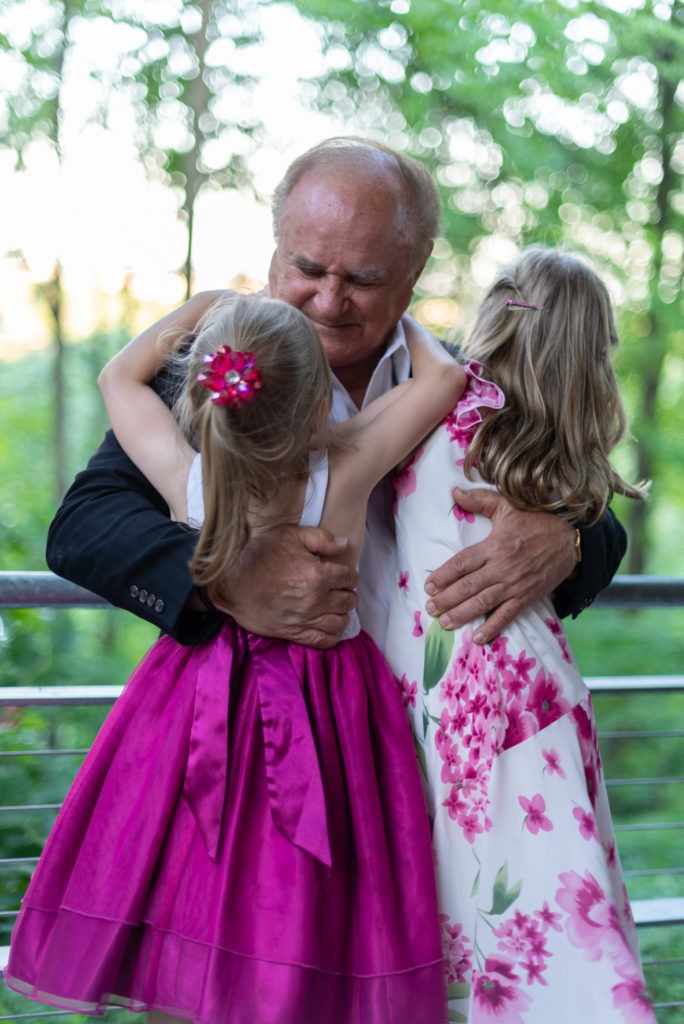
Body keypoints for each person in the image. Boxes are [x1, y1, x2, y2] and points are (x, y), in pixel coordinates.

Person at [5, 293, 467, 1023]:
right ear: (320, 402)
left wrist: (202, 309)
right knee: (307, 892)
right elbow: (441, 379)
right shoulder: (344, 468)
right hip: (328, 708)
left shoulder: (188, 477)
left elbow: (119, 379)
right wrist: (396, 312)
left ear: (205, 393)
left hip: (194, 696)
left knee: (191, 881)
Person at [45, 137, 627, 656]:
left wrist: (566, 541)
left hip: (447, 737)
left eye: (362, 280)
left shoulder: (475, 385)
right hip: (269, 724)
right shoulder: (211, 369)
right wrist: (223, 582)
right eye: (307, 268)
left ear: (415, 268)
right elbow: (84, 527)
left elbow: (595, 514)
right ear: (276, 252)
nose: (327, 301)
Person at [384, 247, 655, 1023]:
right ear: (589, 357)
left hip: (486, 710)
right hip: (511, 703)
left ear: (495, 314)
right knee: (539, 932)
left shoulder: (438, 399)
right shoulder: (537, 447)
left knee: (538, 937)